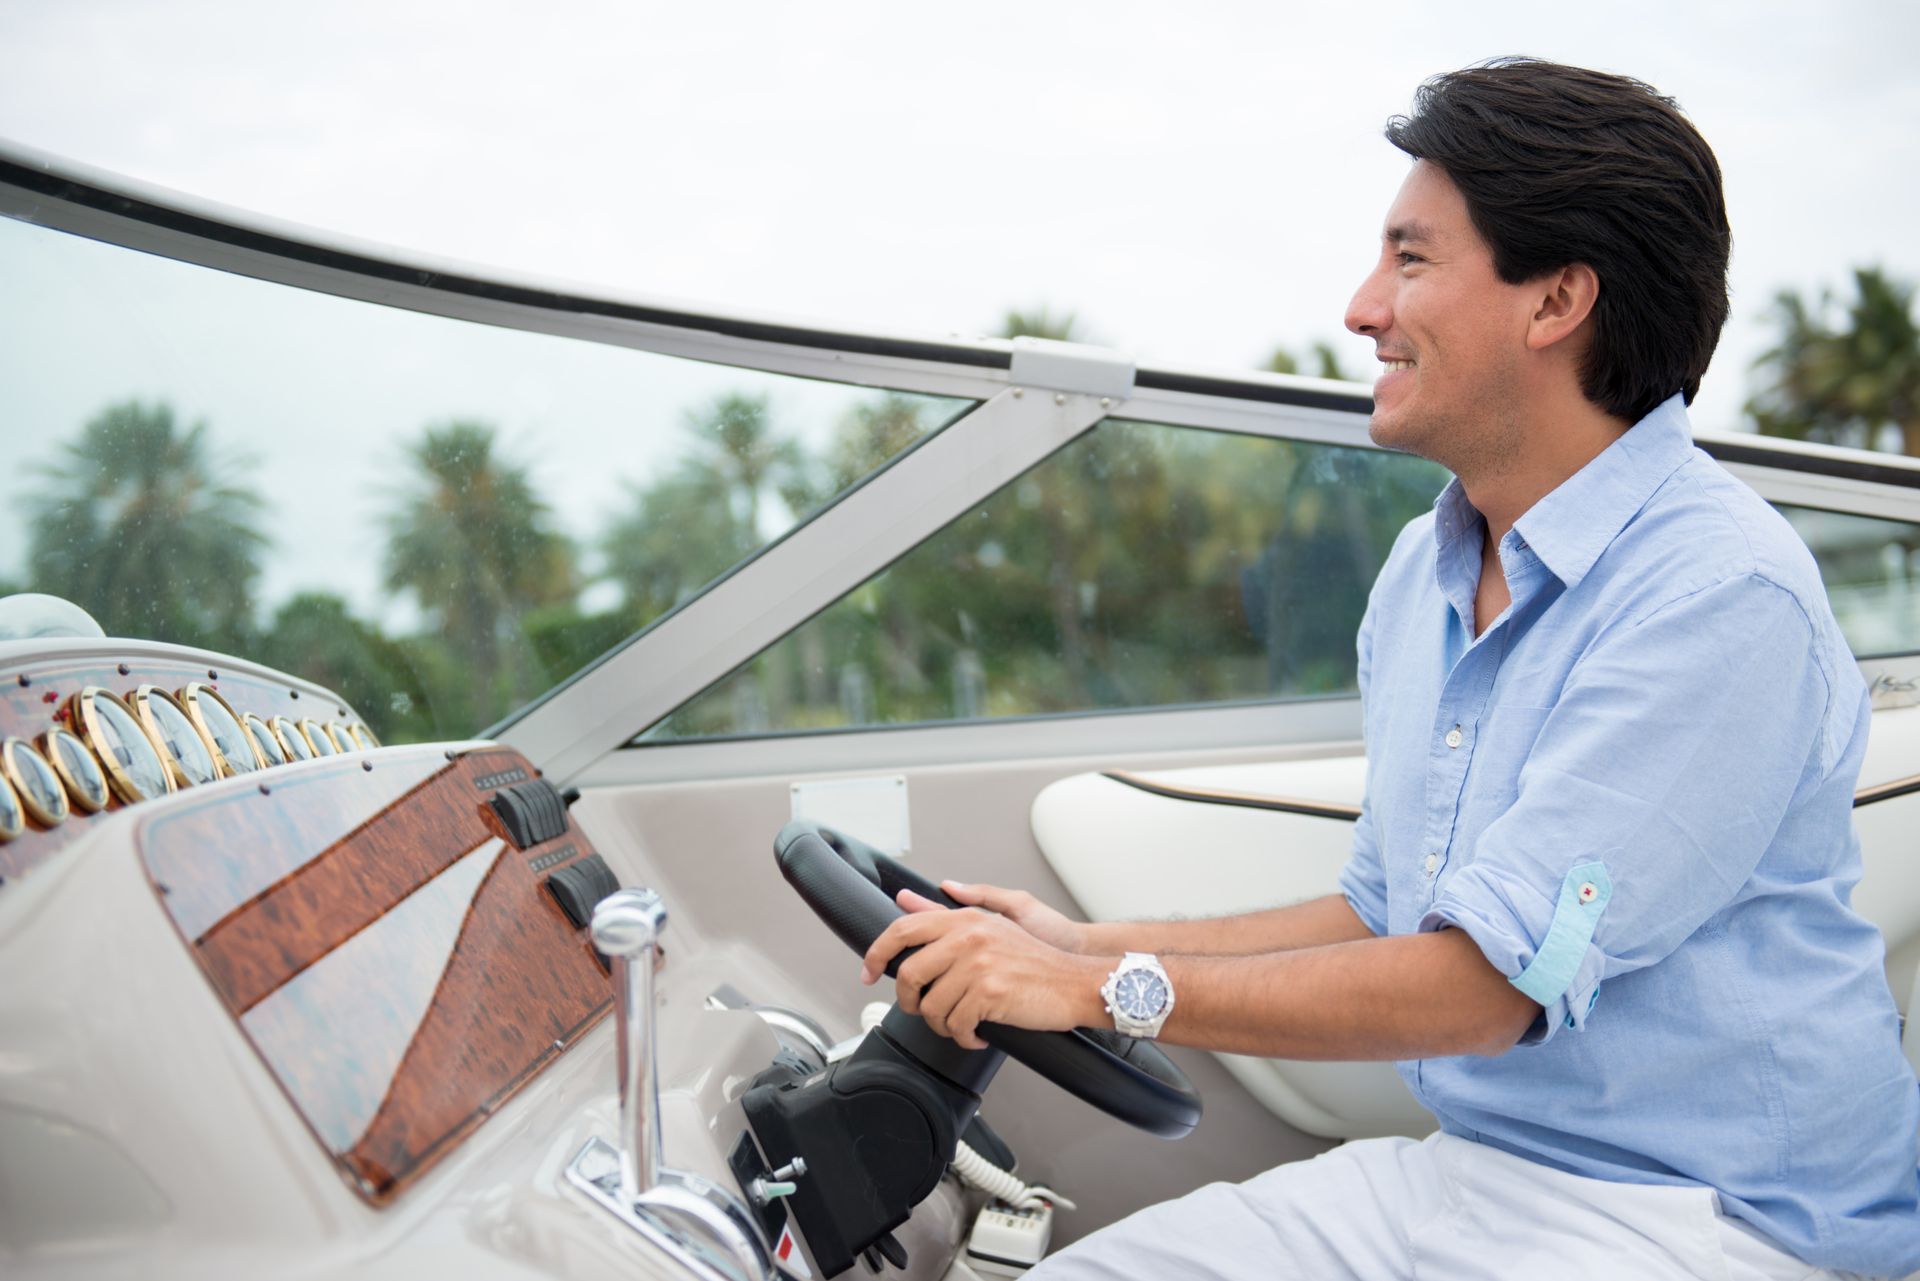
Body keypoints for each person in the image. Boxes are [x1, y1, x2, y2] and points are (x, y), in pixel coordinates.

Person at [862, 58, 1920, 1279]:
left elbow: (1483, 992)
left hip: (1715, 1225)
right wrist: (1081, 945)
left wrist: (1101, 992)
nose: (1365, 308)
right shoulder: (1427, 567)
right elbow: (1384, 913)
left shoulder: (1719, 595)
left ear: (1557, 299)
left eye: (1412, 260)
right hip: (1476, 1172)